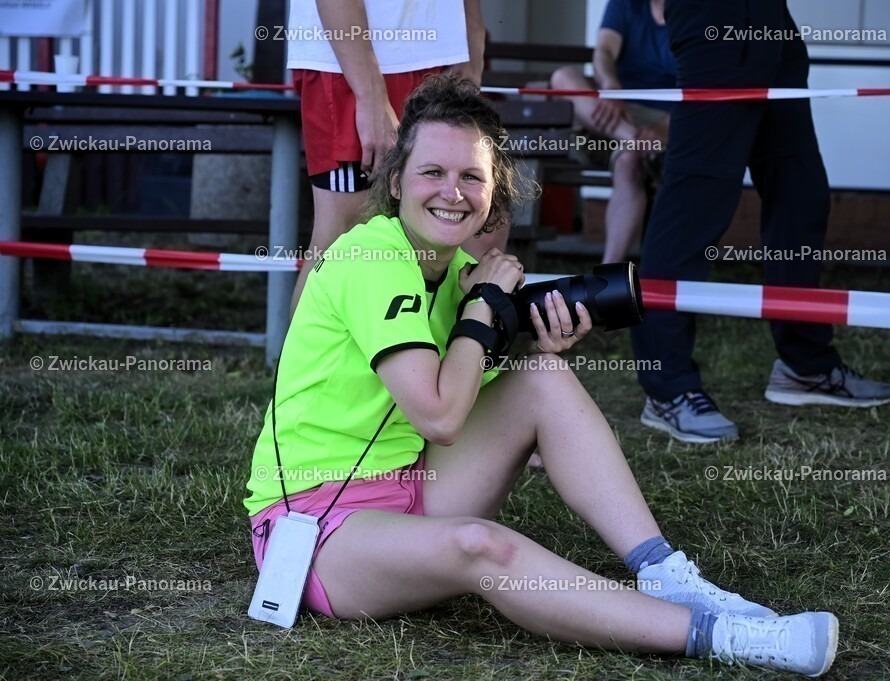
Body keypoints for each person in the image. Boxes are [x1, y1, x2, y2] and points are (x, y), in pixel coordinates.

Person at [244, 76, 838, 677]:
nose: (452, 192)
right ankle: (724, 635)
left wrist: (538, 345)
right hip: (317, 522)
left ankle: (667, 575)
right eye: (431, 173)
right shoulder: (373, 259)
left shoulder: (457, 273)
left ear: (494, 191)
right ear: (396, 182)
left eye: (471, 177)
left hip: (410, 484)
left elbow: (487, 397)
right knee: (481, 545)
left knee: (541, 377)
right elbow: (441, 415)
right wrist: (482, 313)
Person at [630, 0, 890, 443]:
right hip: (715, 19)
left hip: (772, 19)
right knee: (695, 204)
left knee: (801, 195)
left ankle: (805, 364)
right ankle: (666, 387)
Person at [286, 0, 505, 316]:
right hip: (354, 55)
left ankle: (442, 358)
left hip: (440, 54)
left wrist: (472, 44)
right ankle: (300, 366)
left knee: (458, 231)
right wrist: (371, 95)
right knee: (344, 233)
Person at [550, 0, 674, 264]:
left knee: (629, 161)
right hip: (614, 113)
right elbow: (604, 50)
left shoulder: (694, 13)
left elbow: (701, 85)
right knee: (563, 77)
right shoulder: (625, 4)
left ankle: (607, 272)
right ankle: (638, 142)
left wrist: (665, 127)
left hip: (667, 120)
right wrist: (610, 85)